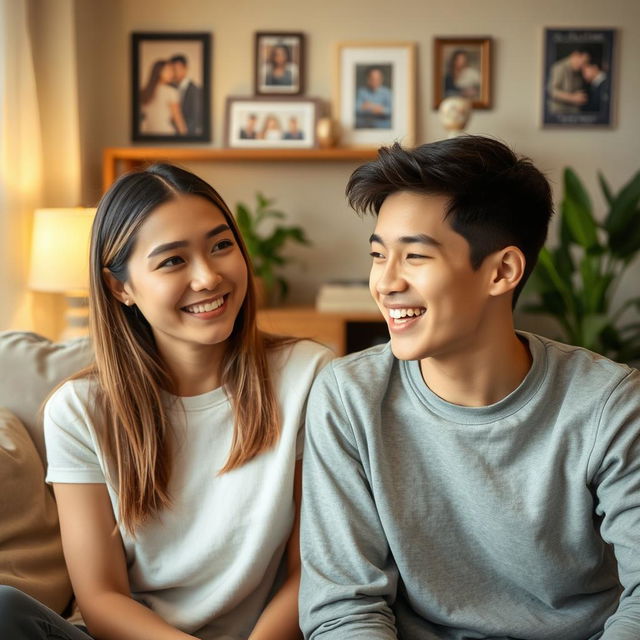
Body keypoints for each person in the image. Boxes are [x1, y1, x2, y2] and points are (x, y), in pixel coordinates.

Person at [299, 136, 640, 639]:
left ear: (502, 271)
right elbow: (344, 608)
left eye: (414, 256)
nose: (385, 283)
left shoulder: (608, 405)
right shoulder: (349, 398)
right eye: (378, 255)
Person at [0, 164, 332, 640]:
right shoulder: (78, 411)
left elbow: (311, 571)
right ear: (121, 288)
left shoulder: (308, 377)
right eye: (172, 261)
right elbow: (101, 596)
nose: (208, 277)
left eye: (221, 245)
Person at [139, 59, 187, 135]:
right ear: (159, 72)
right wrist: (185, 137)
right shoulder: (171, 91)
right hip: (165, 133)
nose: (172, 73)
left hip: (147, 133)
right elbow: (178, 118)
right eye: (168, 70)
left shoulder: (144, 92)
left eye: (172, 71)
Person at [547, 48, 590, 114]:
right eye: (583, 62)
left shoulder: (578, 71)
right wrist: (572, 98)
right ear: (575, 55)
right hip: (559, 113)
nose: (583, 65)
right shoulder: (559, 67)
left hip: (573, 112)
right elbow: (551, 91)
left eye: (586, 63)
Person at [170, 54, 203, 135]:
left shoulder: (196, 90)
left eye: (176, 69)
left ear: (185, 68)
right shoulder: (169, 89)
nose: (174, 72)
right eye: (172, 69)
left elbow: (195, 118)